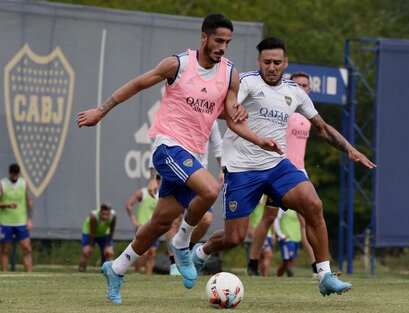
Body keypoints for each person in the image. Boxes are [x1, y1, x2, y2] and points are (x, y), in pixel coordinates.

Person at [77, 13, 281, 304]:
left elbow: (232, 116)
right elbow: (137, 84)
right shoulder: (178, 64)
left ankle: (117, 268)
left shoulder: (230, 74)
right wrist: (101, 110)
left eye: (228, 42)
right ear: (204, 38)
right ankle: (183, 242)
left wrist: (258, 138)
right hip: (168, 146)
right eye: (218, 40)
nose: (223, 47)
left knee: (159, 221)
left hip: (194, 154)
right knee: (211, 189)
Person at [191, 37, 376, 297]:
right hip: (243, 169)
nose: (272, 67)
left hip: (277, 166)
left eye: (277, 62)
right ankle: (201, 251)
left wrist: (350, 148)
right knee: (234, 238)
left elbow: (322, 128)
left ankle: (325, 275)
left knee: (314, 205)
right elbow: (223, 108)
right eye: (267, 62)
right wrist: (234, 110)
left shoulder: (295, 92)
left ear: (285, 63)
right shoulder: (246, 82)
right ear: (259, 62)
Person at [247, 71, 324, 278]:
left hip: (299, 171)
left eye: (305, 85)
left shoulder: (309, 116)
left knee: (307, 218)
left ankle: (318, 268)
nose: (301, 88)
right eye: (296, 84)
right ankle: (253, 262)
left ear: (309, 89)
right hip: (280, 170)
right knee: (268, 217)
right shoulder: (285, 110)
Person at [149, 120, 224, 276]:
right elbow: (160, 142)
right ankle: (173, 264)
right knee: (171, 221)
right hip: (176, 169)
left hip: (198, 177)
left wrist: (222, 169)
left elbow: (218, 146)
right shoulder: (180, 111)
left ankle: (184, 252)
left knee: (206, 220)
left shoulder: (211, 117)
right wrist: (153, 178)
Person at [125, 175, 161, 274]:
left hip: (155, 228)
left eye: (158, 182)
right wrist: (134, 220)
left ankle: (147, 278)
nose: (156, 184)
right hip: (142, 227)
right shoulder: (142, 193)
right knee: (143, 253)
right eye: (154, 181)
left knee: (152, 253)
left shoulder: (161, 195)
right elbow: (128, 205)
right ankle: (137, 273)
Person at [0, 164, 33, 272]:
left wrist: (30, 219)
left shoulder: (23, 183)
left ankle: (29, 275)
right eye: (13, 175)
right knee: (4, 250)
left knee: (27, 249)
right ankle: (4, 275)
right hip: (6, 222)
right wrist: (7, 205)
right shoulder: (3, 184)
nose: (15, 177)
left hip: (21, 222)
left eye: (16, 175)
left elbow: (29, 202)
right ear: (10, 173)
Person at [78, 204, 116, 272]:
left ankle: (108, 272)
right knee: (86, 252)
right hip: (90, 232)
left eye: (107, 214)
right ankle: (82, 269)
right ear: (100, 212)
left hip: (104, 233)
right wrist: (90, 245)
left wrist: (107, 246)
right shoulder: (93, 216)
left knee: (109, 253)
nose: (105, 216)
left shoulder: (113, 216)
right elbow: (92, 232)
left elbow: (111, 231)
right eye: (103, 214)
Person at [246, 195, 273, 276]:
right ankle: (263, 275)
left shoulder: (270, 194)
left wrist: (274, 233)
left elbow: (271, 215)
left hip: (268, 232)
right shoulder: (256, 195)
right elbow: (248, 213)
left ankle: (260, 275)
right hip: (256, 230)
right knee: (267, 253)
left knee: (263, 255)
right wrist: (249, 228)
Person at [273, 209, 301, 277]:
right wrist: (280, 235)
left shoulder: (298, 207)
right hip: (286, 239)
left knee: (289, 261)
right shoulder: (283, 208)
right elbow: (276, 219)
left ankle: (278, 276)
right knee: (288, 261)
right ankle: (290, 277)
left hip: (296, 238)